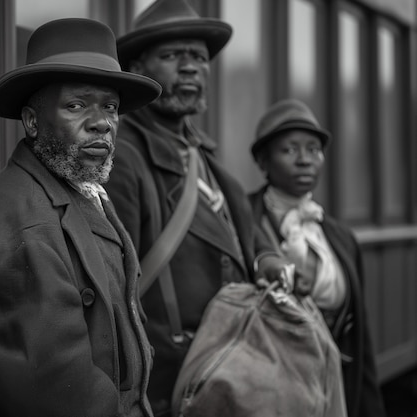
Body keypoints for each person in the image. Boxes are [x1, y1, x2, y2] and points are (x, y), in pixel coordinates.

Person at [0, 18, 162, 417]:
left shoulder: (75, 187)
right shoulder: (26, 221)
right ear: (32, 122)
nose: (102, 122)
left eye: (110, 107)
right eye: (76, 105)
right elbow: (53, 392)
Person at [104, 1, 292, 415]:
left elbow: (244, 230)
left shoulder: (203, 157)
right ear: (138, 69)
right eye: (172, 56)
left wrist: (268, 257)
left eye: (200, 58)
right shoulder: (122, 157)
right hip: (168, 388)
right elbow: (114, 292)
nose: (190, 68)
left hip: (223, 374)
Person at [247, 98, 387, 417]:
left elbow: (359, 336)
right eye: (290, 149)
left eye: (313, 149)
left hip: (333, 389)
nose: (304, 160)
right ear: (263, 161)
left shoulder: (341, 237)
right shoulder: (243, 221)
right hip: (266, 391)